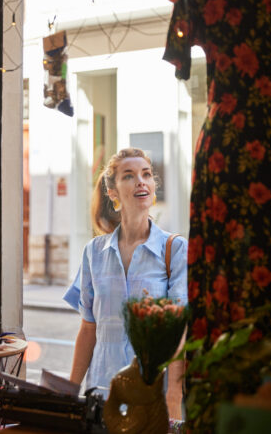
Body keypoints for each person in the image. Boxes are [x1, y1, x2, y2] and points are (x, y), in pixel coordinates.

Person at [164, 0, 271, 346]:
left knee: (231, 281)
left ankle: (226, 399)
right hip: (237, 147)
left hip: (233, 144)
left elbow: (180, 57)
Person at [63, 147, 188, 419]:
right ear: (113, 192)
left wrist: (174, 395)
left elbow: (179, 332)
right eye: (129, 176)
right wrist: (69, 392)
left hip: (152, 397)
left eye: (146, 174)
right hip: (101, 393)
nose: (141, 181)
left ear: (153, 186)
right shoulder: (93, 252)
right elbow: (88, 329)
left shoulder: (175, 250)